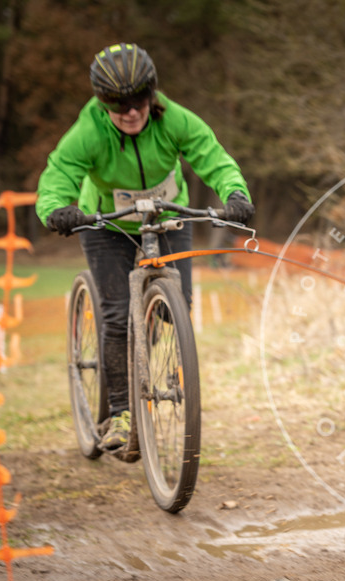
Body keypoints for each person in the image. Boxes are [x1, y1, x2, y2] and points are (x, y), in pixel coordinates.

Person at [36, 42, 255, 453]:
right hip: (105, 223)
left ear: (151, 94)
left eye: (138, 99)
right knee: (118, 316)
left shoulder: (175, 120)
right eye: (117, 104)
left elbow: (214, 157)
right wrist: (56, 209)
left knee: (177, 309)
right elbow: (59, 173)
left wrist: (235, 194)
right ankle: (121, 412)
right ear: (102, 104)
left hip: (165, 214)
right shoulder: (89, 130)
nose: (130, 111)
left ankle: (150, 336)